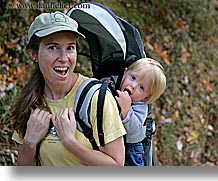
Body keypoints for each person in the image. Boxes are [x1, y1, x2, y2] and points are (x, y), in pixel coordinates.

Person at [10, 11, 126, 166]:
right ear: (33, 54)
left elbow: (117, 166)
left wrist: (70, 142)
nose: (64, 58)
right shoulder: (31, 101)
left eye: (70, 47)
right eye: (53, 47)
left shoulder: (96, 98)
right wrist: (30, 142)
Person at [115, 58, 166, 166]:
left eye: (141, 87)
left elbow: (134, 128)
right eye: (133, 77)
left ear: (146, 98)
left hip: (132, 148)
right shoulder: (115, 84)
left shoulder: (140, 106)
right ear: (125, 72)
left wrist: (126, 110)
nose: (133, 85)